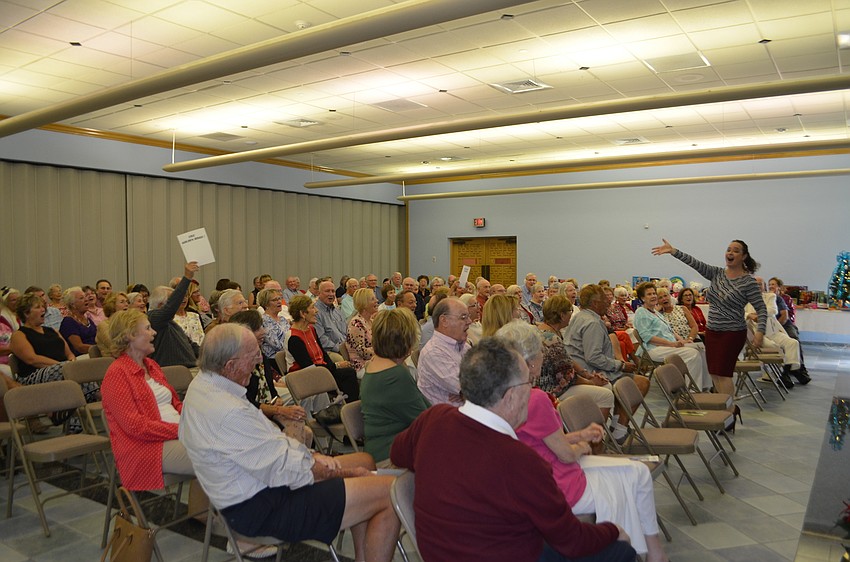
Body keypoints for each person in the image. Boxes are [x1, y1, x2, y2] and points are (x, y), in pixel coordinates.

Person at [391, 337, 634, 562]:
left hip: (443, 553)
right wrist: (615, 530)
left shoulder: (433, 419)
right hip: (504, 554)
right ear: (510, 396)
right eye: (528, 382)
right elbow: (572, 541)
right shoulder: (520, 461)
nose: (533, 389)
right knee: (622, 550)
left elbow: (398, 454)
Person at [179, 324, 401, 562]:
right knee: (390, 491)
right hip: (262, 508)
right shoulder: (227, 411)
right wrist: (338, 470)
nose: (258, 362)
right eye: (253, 355)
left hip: (259, 488)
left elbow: (271, 454)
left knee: (365, 461)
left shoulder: (205, 384)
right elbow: (286, 469)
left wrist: (313, 458)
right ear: (230, 365)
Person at [498, 321, 667, 562]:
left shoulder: (501, 392)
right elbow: (566, 454)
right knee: (635, 475)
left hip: (539, 473)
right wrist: (583, 446)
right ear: (532, 360)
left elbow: (541, 440)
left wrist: (579, 435)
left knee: (636, 473)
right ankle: (646, 551)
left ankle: (653, 552)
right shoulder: (534, 398)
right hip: (558, 483)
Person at [652, 238, 767, 395]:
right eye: (728, 249)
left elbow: (761, 308)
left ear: (744, 256)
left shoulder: (748, 282)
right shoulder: (717, 273)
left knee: (724, 374)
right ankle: (723, 407)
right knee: (714, 373)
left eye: (736, 250)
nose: (730, 253)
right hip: (713, 332)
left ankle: (729, 412)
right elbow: (695, 263)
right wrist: (673, 251)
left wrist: (760, 332)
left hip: (732, 334)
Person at [100, 310, 194, 490]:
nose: (154, 333)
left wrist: (194, 421)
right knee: (219, 457)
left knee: (226, 446)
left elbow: (176, 404)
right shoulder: (117, 374)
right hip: (146, 448)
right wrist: (182, 429)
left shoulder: (152, 365)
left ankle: (205, 515)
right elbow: (136, 427)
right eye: (148, 328)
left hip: (176, 435)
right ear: (130, 335)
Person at [10, 292, 97, 432]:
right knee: (70, 372)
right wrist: (62, 366)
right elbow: (32, 359)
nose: (43, 309)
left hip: (62, 372)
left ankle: (74, 425)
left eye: (42, 306)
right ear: (26, 313)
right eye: (38, 307)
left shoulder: (51, 331)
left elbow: (68, 352)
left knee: (79, 372)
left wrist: (71, 361)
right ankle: (97, 396)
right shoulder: (19, 335)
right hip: (33, 376)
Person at [230, 310, 311, 447]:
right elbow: (245, 402)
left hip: (265, 409)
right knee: (297, 429)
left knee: (305, 431)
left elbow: (270, 389)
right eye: (258, 328)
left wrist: (277, 399)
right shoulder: (237, 364)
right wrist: (278, 410)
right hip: (246, 417)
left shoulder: (260, 356)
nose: (264, 332)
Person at [360, 308, 429, 467]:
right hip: (390, 456)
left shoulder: (376, 366)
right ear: (405, 340)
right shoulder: (394, 375)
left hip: (384, 450)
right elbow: (424, 420)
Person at [537, 297, 615, 419]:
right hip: (552, 389)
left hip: (550, 384)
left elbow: (566, 359)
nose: (571, 315)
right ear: (562, 315)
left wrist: (586, 374)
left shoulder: (544, 331)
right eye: (570, 311)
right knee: (606, 395)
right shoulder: (552, 339)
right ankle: (592, 435)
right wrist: (591, 382)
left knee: (605, 386)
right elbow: (567, 376)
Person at [633, 282, 711, 391]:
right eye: (649, 294)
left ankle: (705, 387)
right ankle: (693, 391)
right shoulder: (641, 312)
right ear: (642, 298)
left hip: (667, 346)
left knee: (701, 349)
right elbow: (648, 337)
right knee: (692, 354)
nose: (653, 296)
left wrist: (683, 341)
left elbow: (670, 330)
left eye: (654, 293)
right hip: (654, 349)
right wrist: (672, 344)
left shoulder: (656, 313)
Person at [288, 295, 359, 401]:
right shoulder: (294, 338)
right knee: (348, 374)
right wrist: (336, 366)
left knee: (348, 372)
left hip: (321, 370)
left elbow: (322, 354)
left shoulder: (311, 329)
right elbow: (308, 367)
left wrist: (333, 366)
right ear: (303, 314)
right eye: (312, 307)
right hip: (306, 376)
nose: (316, 311)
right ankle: (349, 407)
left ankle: (349, 405)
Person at [417, 298, 472, 406]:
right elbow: (475, 390)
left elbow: (485, 379)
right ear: (444, 321)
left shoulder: (464, 347)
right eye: (463, 317)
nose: (469, 321)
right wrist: (467, 393)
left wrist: (466, 395)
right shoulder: (434, 352)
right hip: (447, 420)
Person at [148, 262, 201, 368]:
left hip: (191, 368)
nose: (179, 302)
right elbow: (170, 308)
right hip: (173, 373)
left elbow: (191, 345)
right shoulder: (153, 318)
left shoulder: (172, 324)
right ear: (160, 304)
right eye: (172, 300)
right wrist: (187, 277)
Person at [257, 287, 290, 378]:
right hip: (274, 361)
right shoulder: (264, 321)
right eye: (275, 300)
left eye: (279, 298)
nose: (279, 302)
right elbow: (277, 345)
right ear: (266, 304)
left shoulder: (283, 319)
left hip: (288, 357)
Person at [345, 288, 378, 374]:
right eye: (373, 299)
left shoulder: (372, 321)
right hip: (361, 366)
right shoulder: (356, 323)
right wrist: (381, 354)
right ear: (364, 303)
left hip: (375, 361)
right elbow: (361, 351)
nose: (377, 301)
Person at [60, 286, 98, 356]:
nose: (86, 299)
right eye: (81, 298)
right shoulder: (68, 322)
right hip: (80, 358)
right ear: (73, 305)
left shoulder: (88, 320)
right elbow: (79, 347)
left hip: (94, 353)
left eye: (85, 297)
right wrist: (100, 349)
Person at [315, 280, 347, 354]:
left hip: (346, 349)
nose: (331, 294)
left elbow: (346, 332)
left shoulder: (337, 311)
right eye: (327, 291)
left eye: (333, 291)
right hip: (330, 352)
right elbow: (321, 339)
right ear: (319, 293)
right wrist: (340, 349)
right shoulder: (315, 312)